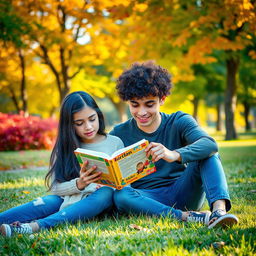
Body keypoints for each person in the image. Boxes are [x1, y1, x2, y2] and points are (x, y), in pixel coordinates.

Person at [110, 61, 238, 228]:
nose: (141, 112)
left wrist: (174, 154)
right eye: (135, 105)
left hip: (183, 192)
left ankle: (219, 212)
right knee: (121, 196)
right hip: (146, 199)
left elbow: (210, 144)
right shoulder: (119, 132)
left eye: (149, 104)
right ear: (128, 102)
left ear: (162, 99)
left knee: (208, 153)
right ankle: (187, 217)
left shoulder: (178, 120)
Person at [0, 91, 124, 237]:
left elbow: (125, 184)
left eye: (92, 119)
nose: (88, 127)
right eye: (79, 123)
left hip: (99, 202)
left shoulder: (115, 142)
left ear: (99, 115)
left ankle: (35, 227)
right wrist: (79, 183)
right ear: (69, 125)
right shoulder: (65, 146)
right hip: (70, 199)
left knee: (106, 192)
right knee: (49, 201)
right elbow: (55, 187)